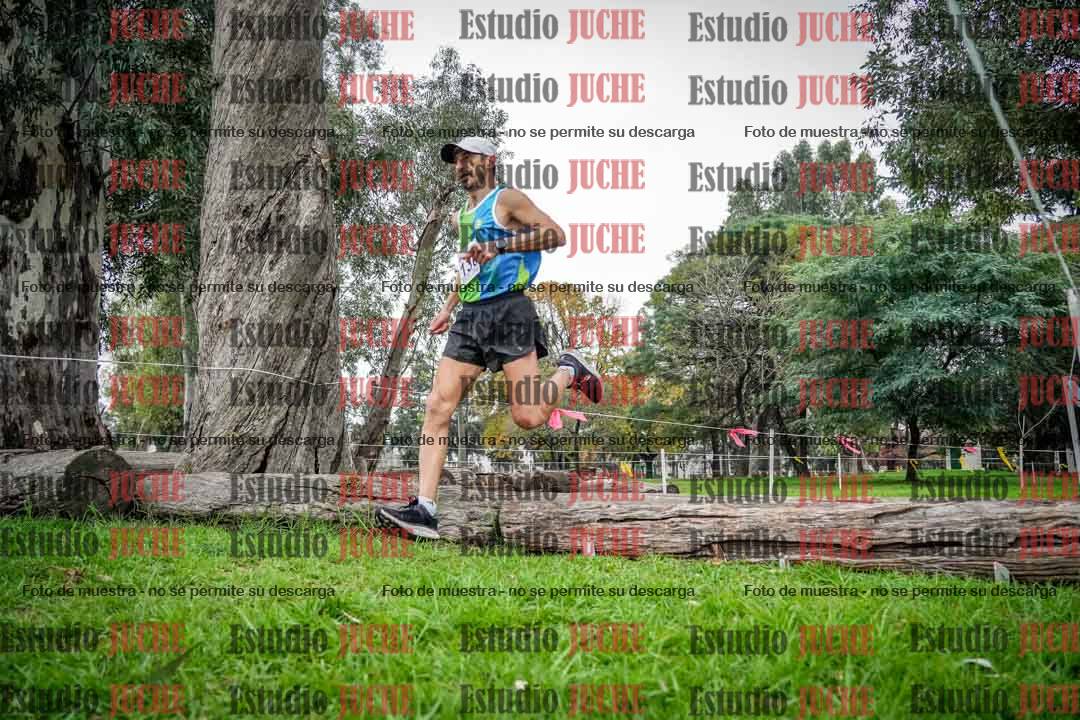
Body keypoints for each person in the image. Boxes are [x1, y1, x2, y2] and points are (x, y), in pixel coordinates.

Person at [375, 136, 602, 539]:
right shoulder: (463, 216)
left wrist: (499, 245)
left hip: (510, 310)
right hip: (471, 316)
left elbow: (556, 235)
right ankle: (425, 509)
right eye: (456, 159)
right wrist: (448, 306)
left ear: (490, 161)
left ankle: (569, 369)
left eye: (468, 157)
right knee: (437, 406)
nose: (460, 165)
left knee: (528, 417)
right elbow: (469, 265)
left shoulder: (507, 199)